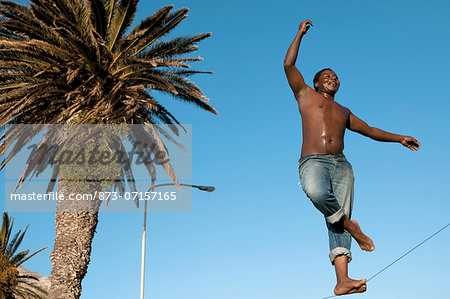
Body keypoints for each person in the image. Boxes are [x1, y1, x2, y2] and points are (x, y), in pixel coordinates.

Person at [283, 19, 420, 296]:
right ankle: (349, 225)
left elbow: (370, 130)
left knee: (333, 218)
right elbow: (288, 65)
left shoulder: (343, 110)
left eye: (336, 77)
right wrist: (299, 34)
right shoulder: (304, 95)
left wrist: (399, 138)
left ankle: (342, 280)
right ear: (316, 82)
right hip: (313, 161)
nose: (333, 79)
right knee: (317, 193)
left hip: (342, 165)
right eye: (327, 76)